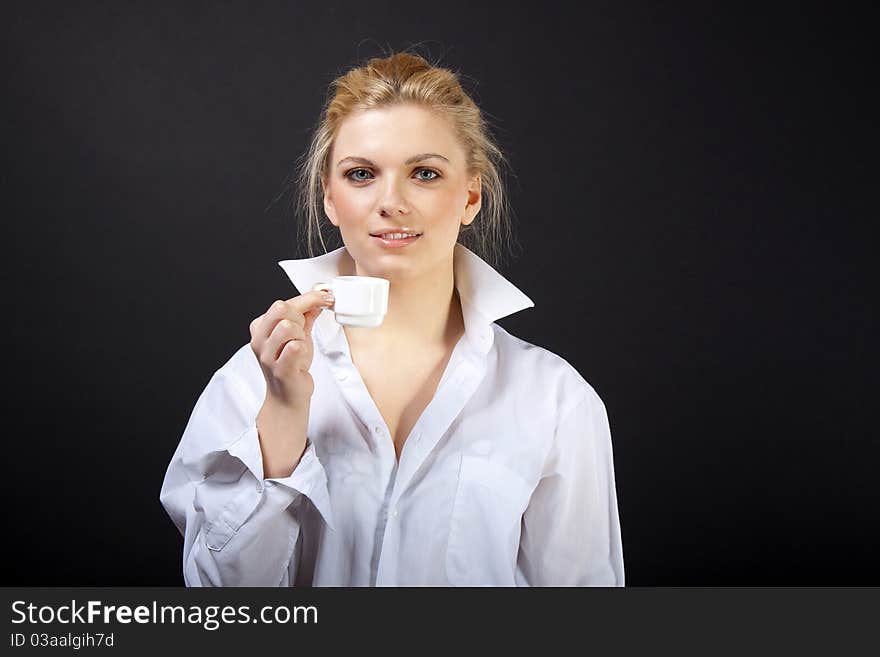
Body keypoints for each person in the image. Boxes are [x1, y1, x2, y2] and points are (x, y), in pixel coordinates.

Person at [159, 50, 624, 586]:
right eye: (361, 174)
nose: (391, 201)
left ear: (470, 195)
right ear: (330, 199)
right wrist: (283, 418)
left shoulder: (555, 398)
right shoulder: (249, 383)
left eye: (424, 173)